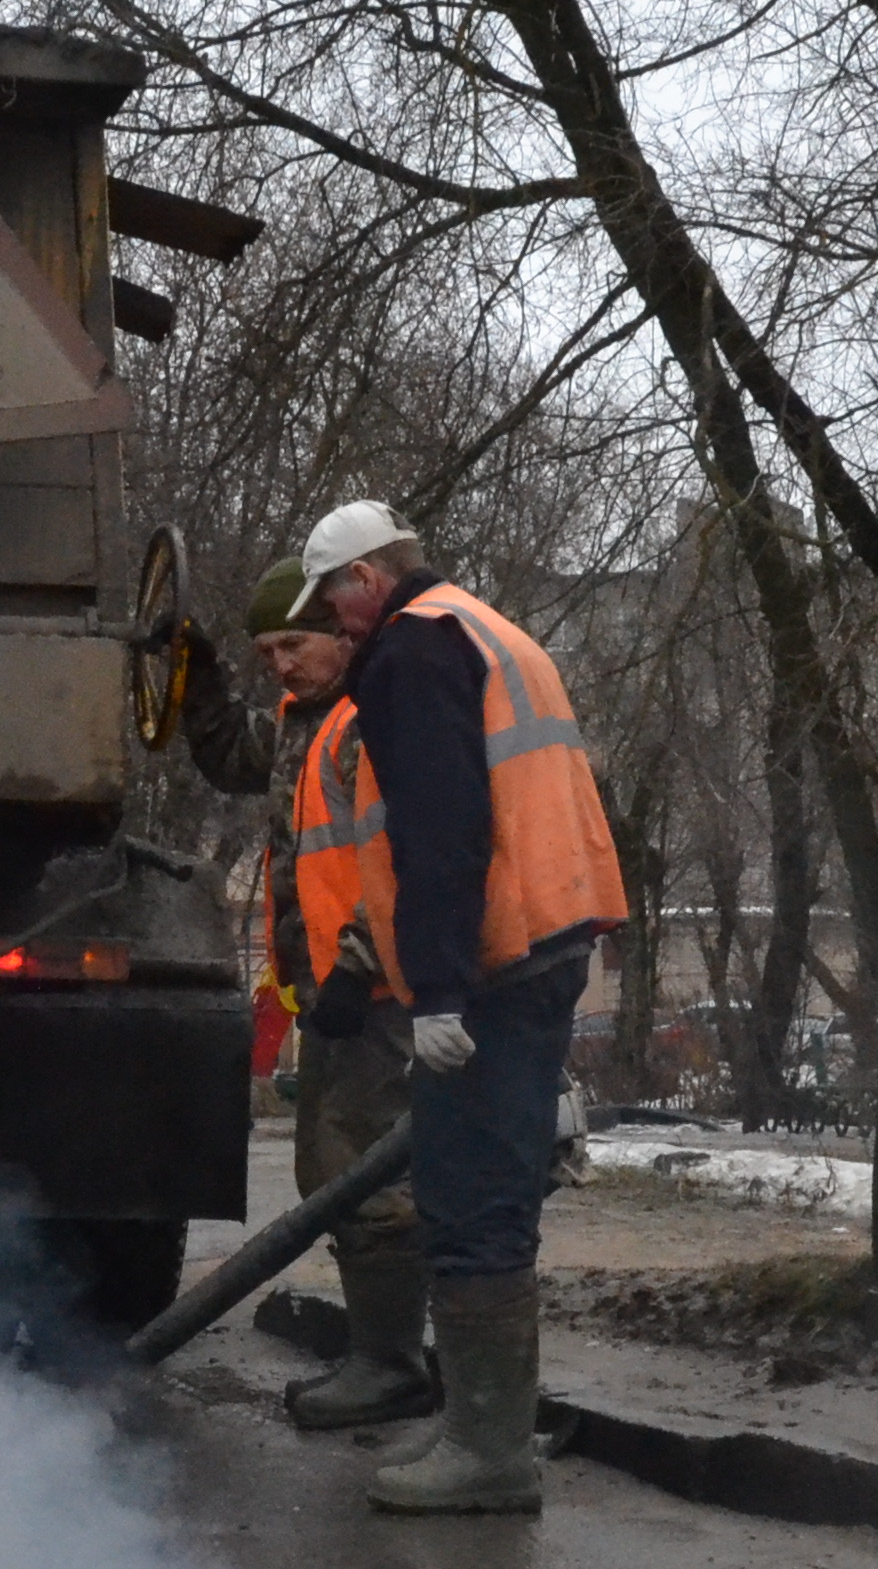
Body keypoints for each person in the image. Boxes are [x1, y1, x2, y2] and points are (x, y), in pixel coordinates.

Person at [284, 498, 628, 1513]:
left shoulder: (412, 654)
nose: (335, 624)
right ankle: (483, 1433)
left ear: (367, 580)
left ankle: (487, 1453)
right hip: (544, 939)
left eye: (333, 602)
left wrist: (436, 993)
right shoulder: (488, 630)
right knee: (485, 1184)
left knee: (471, 1192)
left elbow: (443, 832)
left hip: (489, 965)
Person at [173, 555, 433, 1430]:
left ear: (337, 633)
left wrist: (359, 968)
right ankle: (380, 1355)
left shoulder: (373, 721)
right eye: (265, 651)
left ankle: (390, 1365)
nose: (281, 663)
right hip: (330, 987)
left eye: (294, 643)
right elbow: (225, 754)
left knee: (365, 1170)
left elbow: (401, 857)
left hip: (375, 986)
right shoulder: (302, 723)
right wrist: (193, 677)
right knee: (331, 1166)